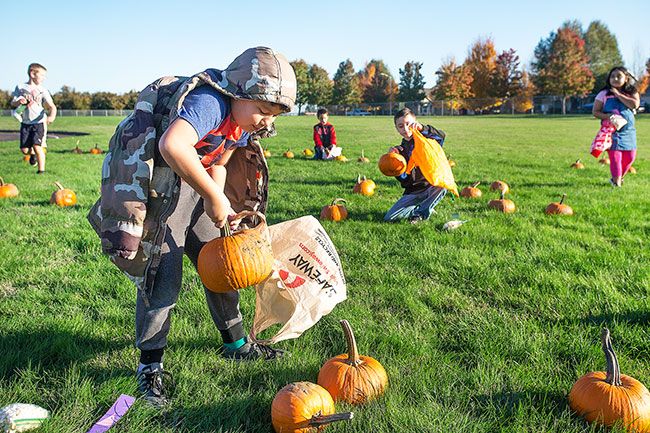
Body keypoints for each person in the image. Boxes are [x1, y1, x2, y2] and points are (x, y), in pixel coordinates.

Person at [87, 47, 296, 407]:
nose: (266, 121)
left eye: (273, 115)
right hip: (162, 186)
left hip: (194, 184)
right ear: (238, 93)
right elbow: (173, 145)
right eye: (262, 110)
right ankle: (150, 366)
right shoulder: (210, 102)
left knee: (222, 263)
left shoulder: (242, 123)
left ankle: (236, 344)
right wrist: (213, 197)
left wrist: (220, 202)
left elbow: (220, 161)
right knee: (162, 275)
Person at [384, 108, 447, 224]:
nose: (406, 129)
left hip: (430, 186)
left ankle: (419, 215)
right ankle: (424, 207)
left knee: (442, 185)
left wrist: (423, 128)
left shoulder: (428, 140)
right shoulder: (400, 151)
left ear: (415, 123)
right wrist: (393, 161)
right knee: (389, 218)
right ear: (397, 129)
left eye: (408, 124)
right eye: (401, 126)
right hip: (413, 192)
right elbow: (404, 179)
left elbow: (441, 136)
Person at [592, 66, 640, 187]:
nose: (615, 78)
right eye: (612, 76)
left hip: (628, 131)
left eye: (619, 76)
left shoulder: (632, 92)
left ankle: (619, 177)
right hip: (611, 131)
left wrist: (617, 94)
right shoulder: (603, 94)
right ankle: (616, 183)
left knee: (630, 157)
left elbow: (634, 105)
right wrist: (608, 117)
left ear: (626, 79)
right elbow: (595, 112)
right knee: (615, 158)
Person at [11, 63, 57, 173]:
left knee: (38, 146)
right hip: (25, 122)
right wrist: (19, 102)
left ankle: (41, 171)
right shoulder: (20, 87)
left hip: (39, 122)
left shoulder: (42, 90)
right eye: (42, 75)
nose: (43, 78)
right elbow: (13, 103)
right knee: (25, 149)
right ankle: (32, 154)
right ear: (32, 74)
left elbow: (52, 106)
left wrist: (51, 116)